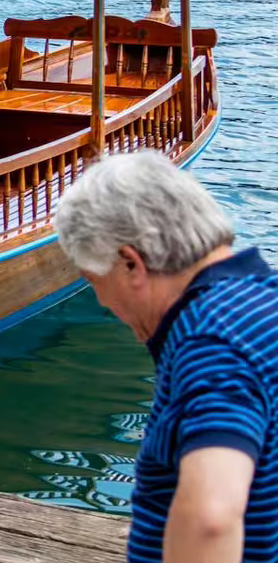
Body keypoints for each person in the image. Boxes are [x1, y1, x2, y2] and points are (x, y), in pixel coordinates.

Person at [56, 151, 278, 563]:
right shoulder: (264, 304)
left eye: (94, 281)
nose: (103, 303)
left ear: (130, 263)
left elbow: (211, 519)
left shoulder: (212, 343)